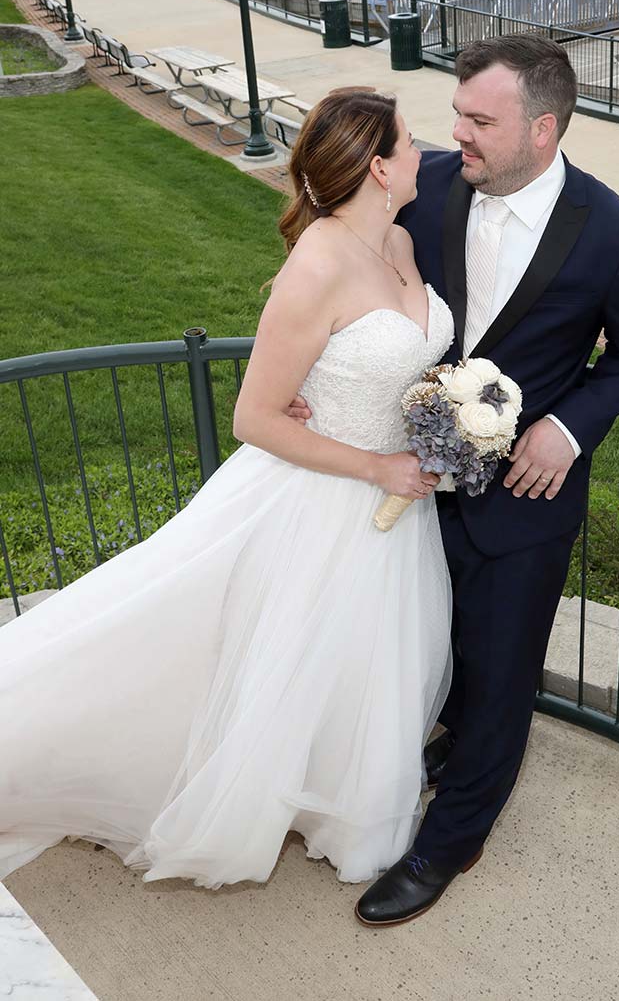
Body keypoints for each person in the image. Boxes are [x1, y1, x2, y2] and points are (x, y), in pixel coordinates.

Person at [0, 87, 454, 890]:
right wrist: (377, 465)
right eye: (413, 142)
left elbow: (404, 361)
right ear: (381, 168)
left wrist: (443, 423)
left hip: (394, 508)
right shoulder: (317, 262)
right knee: (255, 656)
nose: (426, 153)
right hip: (321, 500)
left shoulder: (405, 248)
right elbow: (254, 416)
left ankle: (335, 806)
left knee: (357, 664)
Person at [343, 34, 619, 924]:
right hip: (413, 483)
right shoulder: (432, 185)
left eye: (479, 121)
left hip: (527, 503)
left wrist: (571, 427)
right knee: (427, 643)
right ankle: (447, 741)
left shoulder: (616, 230)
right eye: (456, 116)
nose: (459, 136)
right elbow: (351, 272)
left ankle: (450, 842)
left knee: (502, 678)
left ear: (543, 129)